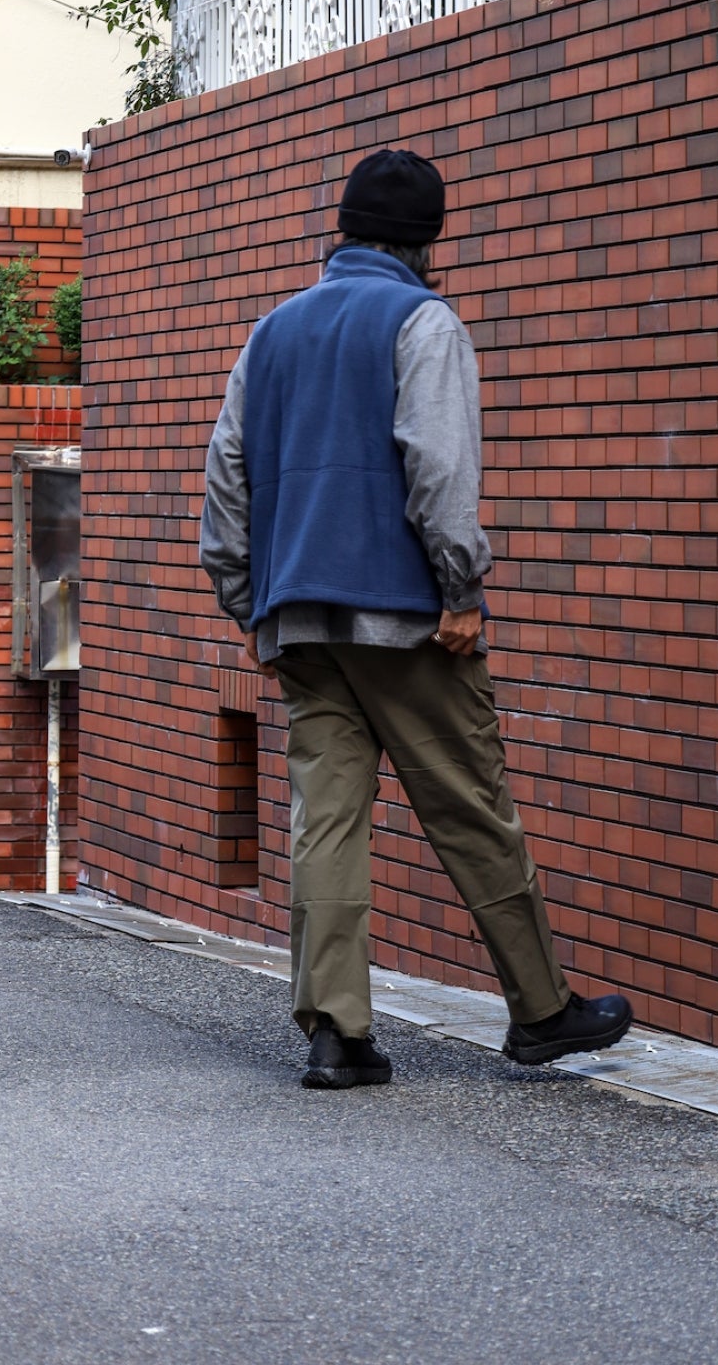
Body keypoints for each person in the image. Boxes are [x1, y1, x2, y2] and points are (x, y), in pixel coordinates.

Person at [201, 148, 633, 1090]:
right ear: (427, 242)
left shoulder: (270, 332)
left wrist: (245, 601)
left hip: (297, 618)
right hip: (404, 617)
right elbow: (438, 466)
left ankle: (335, 1034)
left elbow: (225, 477)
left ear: (343, 228)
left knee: (325, 822)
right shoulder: (422, 320)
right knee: (469, 804)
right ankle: (541, 1011)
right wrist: (460, 590)